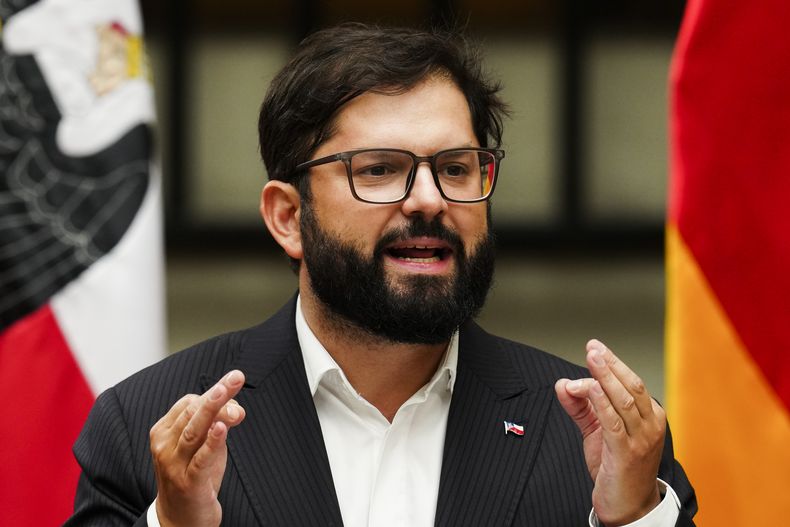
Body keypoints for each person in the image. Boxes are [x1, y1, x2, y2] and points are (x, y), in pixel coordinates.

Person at [66, 23, 697, 527]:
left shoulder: (605, 440)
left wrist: (633, 518)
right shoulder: (146, 430)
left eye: (456, 168)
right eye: (379, 170)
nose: (428, 199)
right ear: (288, 217)